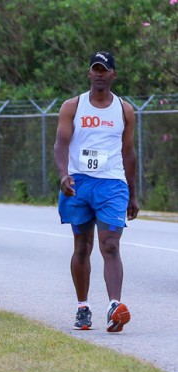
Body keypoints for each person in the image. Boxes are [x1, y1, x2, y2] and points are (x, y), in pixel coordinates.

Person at [54, 51, 139, 333]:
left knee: (110, 244)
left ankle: (115, 307)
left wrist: (133, 194)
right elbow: (60, 144)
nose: (100, 74)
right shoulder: (72, 106)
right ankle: (82, 307)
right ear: (89, 73)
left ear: (113, 74)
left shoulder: (124, 110)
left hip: (112, 184)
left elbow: (129, 152)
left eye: (105, 69)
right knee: (82, 246)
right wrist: (64, 174)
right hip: (79, 183)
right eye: (96, 69)